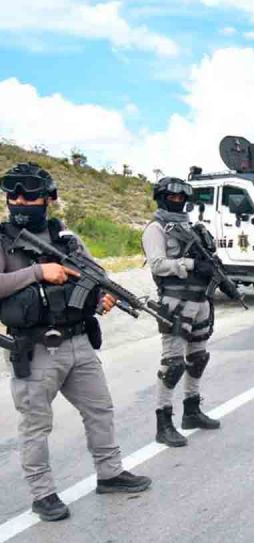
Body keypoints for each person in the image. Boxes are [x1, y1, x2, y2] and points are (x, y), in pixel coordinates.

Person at [0, 163, 151, 522]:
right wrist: (37, 272)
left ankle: (110, 473)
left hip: (79, 342)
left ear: (48, 198)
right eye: (14, 195)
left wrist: (101, 300)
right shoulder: (3, 241)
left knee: (100, 410)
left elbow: (92, 278)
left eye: (30, 195)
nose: (20, 201)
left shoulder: (66, 239)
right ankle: (43, 494)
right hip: (35, 349)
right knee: (36, 425)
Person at [142, 177, 221, 448]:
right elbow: (158, 265)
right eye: (172, 197)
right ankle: (164, 423)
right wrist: (190, 264)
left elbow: (207, 257)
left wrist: (211, 265)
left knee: (198, 358)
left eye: (181, 198)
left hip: (200, 300)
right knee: (173, 364)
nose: (178, 201)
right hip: (175, 302)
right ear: (161, 197)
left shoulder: (191, 225)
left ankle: (192, 410)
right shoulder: (156, 228)